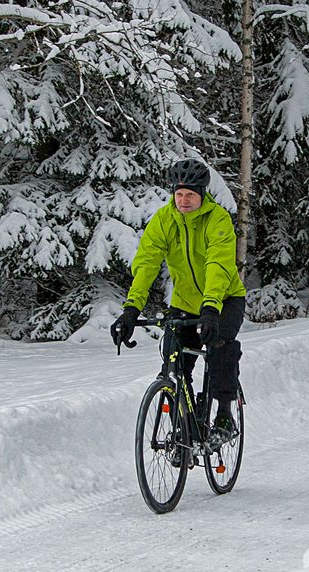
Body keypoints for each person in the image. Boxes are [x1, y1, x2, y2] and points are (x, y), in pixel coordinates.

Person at [110, 159, 246, 438]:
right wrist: (131, 308)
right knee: (174, 358)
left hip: (225, 299)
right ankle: (184, 424)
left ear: (201, 194)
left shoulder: (217, 219)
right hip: (184, 303)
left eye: (190, 195)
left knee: (220, 348)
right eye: (179, 194)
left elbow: (217, 266)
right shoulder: (164, 220)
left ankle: (223, 415)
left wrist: (210, 308)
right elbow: (147, 263)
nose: (184, 200)